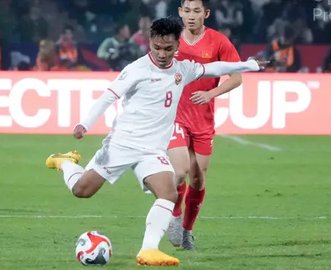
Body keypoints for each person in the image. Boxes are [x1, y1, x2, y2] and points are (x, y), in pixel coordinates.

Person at [45, 17, 264, 266]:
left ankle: (148, 250)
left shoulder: (183, 69)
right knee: (81, 191)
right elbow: (108, 97)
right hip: (122, 145)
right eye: (157, 47)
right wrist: (85, 123)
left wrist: (250, 65)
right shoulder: (137, 69)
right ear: (150, 42)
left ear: (177, 46)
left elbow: (215, 68)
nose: (161, 53)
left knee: (168, 193)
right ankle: (65, 162)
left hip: (152, 150)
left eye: (168, 48)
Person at [166, 0, 243, 251]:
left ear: (206, 14)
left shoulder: (219, 41)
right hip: (175, 117)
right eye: (186, 11)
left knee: (198, 180)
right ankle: (175, 215)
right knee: (179, 172)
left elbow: (237, 77)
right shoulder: (171, 38)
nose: (191, 16)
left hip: (203, 120)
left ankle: (187, 230)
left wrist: (212, 94)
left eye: (196, 11)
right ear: (180, 12)